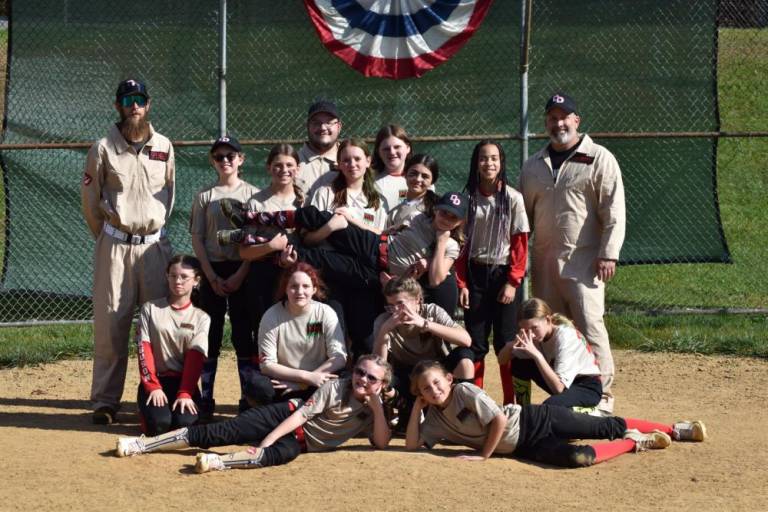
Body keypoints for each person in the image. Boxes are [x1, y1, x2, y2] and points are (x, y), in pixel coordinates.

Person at [518, 93, 626, 415]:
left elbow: (614, 211)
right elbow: (522, 217)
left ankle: (602, 397)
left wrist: (609, 253)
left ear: (577, 120)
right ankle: (566, 396)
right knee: (548, 331)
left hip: (584, 262)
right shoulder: (533, 165)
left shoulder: (599, 158)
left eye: (564, 117)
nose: (558, 123)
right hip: (545, 262)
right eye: (552, 117)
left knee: (589, 328)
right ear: (546, 123)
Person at [115, 354, 392, 473]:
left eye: (372, 378)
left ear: (381, 384)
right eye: (360, 372)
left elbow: (381, 442)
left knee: (277, 457)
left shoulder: (372, 409)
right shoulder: (336, 387)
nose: (363, 379)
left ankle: (216, 463)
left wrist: (378, 408)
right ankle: (142, 444)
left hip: (301, 443)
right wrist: (267, 439)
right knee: (222, 432)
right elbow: (301, 417)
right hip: (285, 417)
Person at [81, 78, 175, 424]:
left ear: (148, 105)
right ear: (118, 105)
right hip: (116, 247)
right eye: (127, 99)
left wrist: (154, 231)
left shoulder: (164, 145)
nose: (134, 106)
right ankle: (105, 401)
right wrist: (110, 236)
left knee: (158, 323)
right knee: (111, 324)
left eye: (139, 99)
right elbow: (90, 203)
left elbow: (170, 192)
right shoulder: (103, 147)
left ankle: (156, 398)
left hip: (154, 247)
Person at [405, 361, 706, 468]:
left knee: (604, 426)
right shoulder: (432, 419)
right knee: (577, 458)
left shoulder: (464, 392)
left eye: (436, 382)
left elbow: (497, 420)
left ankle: (676, 429)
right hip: (524, 446)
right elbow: (410, 447)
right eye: (425, 389)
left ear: (449, 379)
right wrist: (417, 410)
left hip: (533, 419)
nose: (433, 390)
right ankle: (636, 442)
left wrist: (484, 455)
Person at [219, 191, 467, 300]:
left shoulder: (452, 245)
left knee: (313, 259)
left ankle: (254, 242)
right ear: (436, 209)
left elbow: (435, 279)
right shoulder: (420, 218)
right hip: (374, 244)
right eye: (443, 212)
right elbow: (387, 232)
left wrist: (442, 242)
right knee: (318, 216)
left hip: (376, 275)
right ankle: (249, 218)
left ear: (460, 221)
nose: (446, 218)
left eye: (452, 216)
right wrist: (353, 221)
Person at [190, 136, 259, 420]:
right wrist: (210, 275)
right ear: (213, 161)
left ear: (241, 159)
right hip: (213, 270)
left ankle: (247, 397)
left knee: (244, 334)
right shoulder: (205, 196)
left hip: (243, 268)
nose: (225, 160)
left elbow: (256, 239)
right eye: (219, 157)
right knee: (211, 334)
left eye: (231, 155)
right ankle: (206, 398)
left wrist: (242, 273)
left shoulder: (253, 195)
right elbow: (197, 237)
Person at [456, 140, 529, 399]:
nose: (489, 163)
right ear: (476, 163)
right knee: (475, 343)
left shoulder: (513, 199)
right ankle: (477, 404)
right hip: (475, 274)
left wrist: (513, 281)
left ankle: (515, 404)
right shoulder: (467, 200)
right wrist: (462, 283)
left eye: (494, 158)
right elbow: (460, 247)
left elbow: (520, 243)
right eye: (484, 158)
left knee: (507, 342)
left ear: (501, 163)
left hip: (503, 275)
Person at [306, 138, 387, 356]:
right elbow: (308, 240)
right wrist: (330, 227)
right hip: (331, 274)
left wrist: (353, 221)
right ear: (339, 163)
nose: (352, 164)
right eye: (346, 160)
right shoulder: (325, 193)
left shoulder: (376, 200)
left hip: (363, 277)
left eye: (357, 159)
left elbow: (381, 240)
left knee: (365, 338)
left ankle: (363, 386)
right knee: (335, 338)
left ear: (368, 161)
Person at [373, 276, 473, 429]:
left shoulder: (432, 311)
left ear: (417, 300)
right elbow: (378, 366)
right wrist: (384, 332)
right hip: (406, 376)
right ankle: (403, 414)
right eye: (391, 305)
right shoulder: (384, 321)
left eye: (400, 303)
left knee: (465, 358)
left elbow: (466, 340)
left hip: (437, 371)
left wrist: (425, 323)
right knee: (377, 377)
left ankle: (464, 416)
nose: (395, 310)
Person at [245, 262, 347, 406]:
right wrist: (305, 377)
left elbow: (339, 357)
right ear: (285, 289)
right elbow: (267, 365)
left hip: (318, 381)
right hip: (284, 382)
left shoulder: (326, 313)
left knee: (345, 381)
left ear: (314, 289)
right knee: (258, 386)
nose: (300, 291)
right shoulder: (271, 316)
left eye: (306, 286)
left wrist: (304, 384)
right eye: (293, 286)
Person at [135, 255, 210, 435]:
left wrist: (185, 392)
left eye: (184, 277)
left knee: (184, 427)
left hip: (183, 382)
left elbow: (195, 358)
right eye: (173, 275)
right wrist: (152, 387)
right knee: (159, 426)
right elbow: (144, 350)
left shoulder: (201, 317)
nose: (178, 281)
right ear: (167, 276)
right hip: (157, 381)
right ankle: (147, 413)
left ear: (196, 281)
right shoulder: (150, 309)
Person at [497, 298, 602, 409]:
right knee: (519, 362)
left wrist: (536, 354)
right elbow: (502, 360)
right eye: (526, 330)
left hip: (585, 386)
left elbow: (558, 388)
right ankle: (522, 410)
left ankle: (590, 413)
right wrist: (512, 344)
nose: (531, 334)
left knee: (549, 408)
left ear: (548, 320)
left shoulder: (565, 337)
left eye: (534, 328)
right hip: (562, 383)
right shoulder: (536, 337)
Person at [296, 100, 342, 195]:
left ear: (339, 127)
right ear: (307, 126)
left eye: (329, 122)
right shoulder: (292, 162)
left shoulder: (352, 161)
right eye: (316, 123)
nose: (323, 128)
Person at [384, 153, 439, 231]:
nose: (418, 179)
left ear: (432, 181)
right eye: (413, 173)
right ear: (405, 174)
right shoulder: (394, 213)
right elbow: (384, 239)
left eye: (425, 176)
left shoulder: (438, 208)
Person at [372, 124, 412, 211]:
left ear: (408, 148)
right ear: (378, 151)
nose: (392, 152)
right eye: (386, 149)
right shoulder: (371, 181)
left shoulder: (421, 179)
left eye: (397, 147)